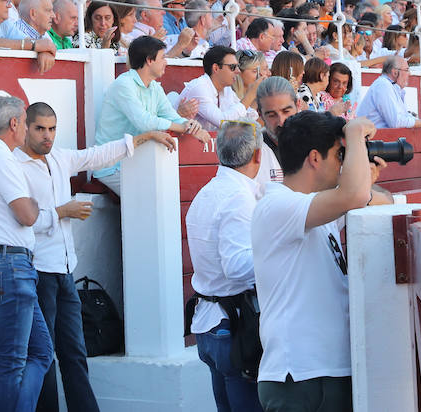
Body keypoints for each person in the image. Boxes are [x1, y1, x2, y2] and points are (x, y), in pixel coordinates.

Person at [16, 102, 176, 412]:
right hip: (36, 271)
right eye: (40, 129)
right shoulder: (13, 166)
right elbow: (19, 222)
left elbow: (97, 154)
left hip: (64, 270)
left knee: (74, 352)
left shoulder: (60, 157)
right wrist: (62, 212)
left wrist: (145, 137)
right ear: (24, 127)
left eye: (51, 129)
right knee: (42, 354)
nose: (47, 136)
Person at [252, 111, 376, 411]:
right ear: (315, 158)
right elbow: (357, 195)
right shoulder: (278, 206)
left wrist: (361, 167)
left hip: (322, 373)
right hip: (299, 377)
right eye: (339, 154)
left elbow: (371, 197)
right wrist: (356, 135)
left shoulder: (314, 210)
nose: (342, 163)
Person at [0, 95, 53, 412]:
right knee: (15, 361)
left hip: (2, 264)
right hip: (10, 265)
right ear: (15, 123)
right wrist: (31, 201)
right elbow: (27, 215)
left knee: (38, 352)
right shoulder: (2, 158)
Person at [186, 121, 265, 412]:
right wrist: (278, 254)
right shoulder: (238, 198)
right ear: (258, 155)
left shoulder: (207, 192)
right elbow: (237, 268)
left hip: (211, 325)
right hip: (231, 326)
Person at [91, 35, 210, 192]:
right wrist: (182, 127)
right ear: (149, 60)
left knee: (169, 190)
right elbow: (144, 122)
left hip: (135, 162)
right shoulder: (124, 84)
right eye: (162, 58)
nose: (166, 62)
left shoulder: (154, 87)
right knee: (155, 195)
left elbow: (171, 116)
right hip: (110, 166)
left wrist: (192, 126)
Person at [355, 55, 421, 130]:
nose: (409, 74)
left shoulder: (391, 86)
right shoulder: (383, 85)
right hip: (372, 142)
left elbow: (402, 117)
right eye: (407, 70)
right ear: (395, 72)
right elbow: (395, 122)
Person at [180, 45, 254, 131]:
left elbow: (247, 117)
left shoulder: (226, 89)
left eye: (238, 67)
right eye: (233, 67)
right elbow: (223, 122)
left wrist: (256, 95)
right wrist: (251, 95)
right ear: (216, 68)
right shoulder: (200, 87)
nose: (238, 71)